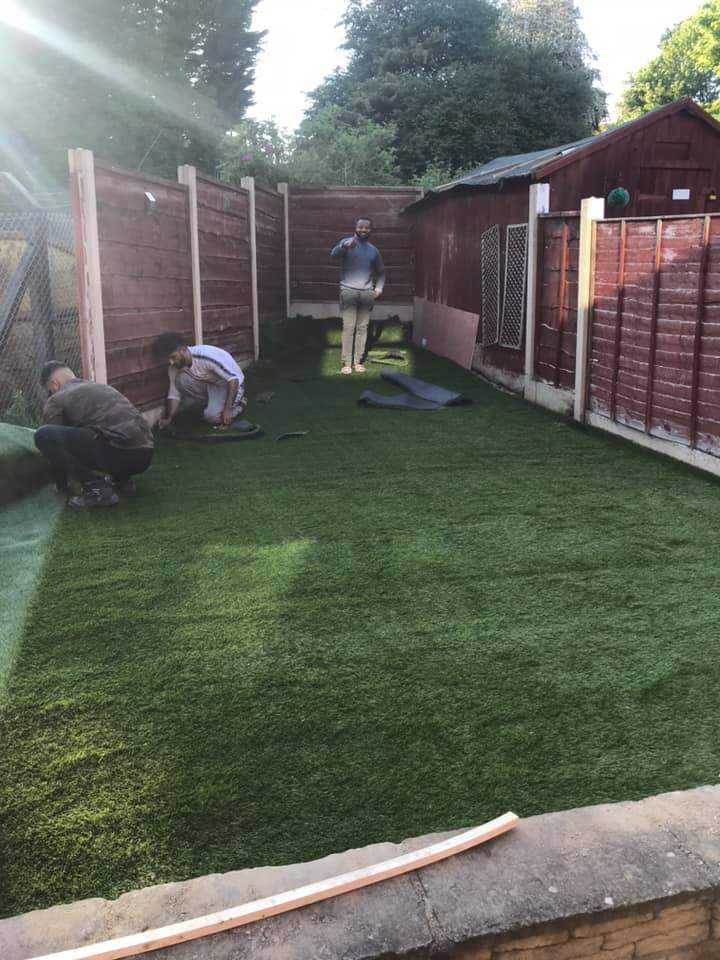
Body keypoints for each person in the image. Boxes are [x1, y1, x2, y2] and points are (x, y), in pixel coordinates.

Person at [34, 362, 154, 509]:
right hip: (145, 456)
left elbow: (57, 443)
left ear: (54, 383)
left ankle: (96, 490)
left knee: (43, 434)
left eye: (50, 389)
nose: (51, 393)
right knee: (107, 431)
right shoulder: (101, 387)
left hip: (120, 455)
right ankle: (121, 480)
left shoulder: (56, 399)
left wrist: (60, 485)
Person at [153, 334, 247, 430]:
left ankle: (240, 404)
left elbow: (233, 380)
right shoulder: (174, 367)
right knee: (181, 379)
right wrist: (169, 419)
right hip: (212, 385)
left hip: (233, 385)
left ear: (182, 349)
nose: (171, 362)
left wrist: (227, 410)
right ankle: (213, 405)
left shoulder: (205, 356)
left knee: (212, 417)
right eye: (168, 359)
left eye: (173, 357)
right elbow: (174, 393)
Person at [331, 218, 385, 374]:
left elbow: (381, 272)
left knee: (362, 328)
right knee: (348, 327)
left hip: (367, 293)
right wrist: (344, 247)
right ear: (355, 228)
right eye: (360, 227)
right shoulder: (346, 243)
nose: (363, 230)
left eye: (367, 227)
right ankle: (346, 363)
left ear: (370, 230)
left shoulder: (374, 250)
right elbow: (333, 255)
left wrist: (379, 289)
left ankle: (357, 362)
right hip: (348, 290)